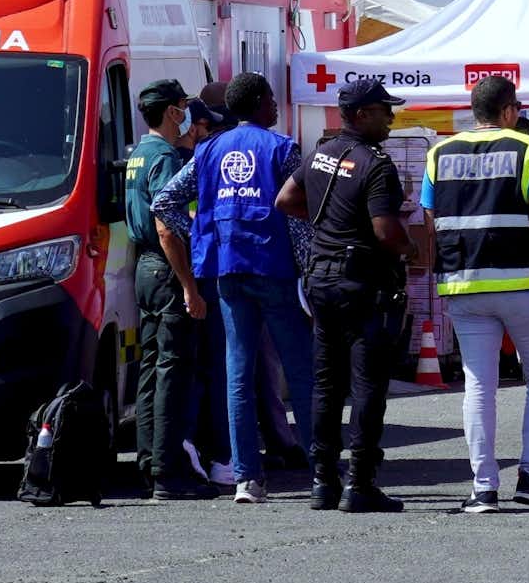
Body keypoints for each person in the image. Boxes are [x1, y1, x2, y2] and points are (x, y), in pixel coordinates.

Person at [152, 72, 313, 505]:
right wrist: (308, 267)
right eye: (273, 99)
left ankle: (246, 478)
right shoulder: (281, 149)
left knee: (237, 373)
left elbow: (163, 202)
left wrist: (202, 231)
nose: (277, 106)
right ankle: (321, 470)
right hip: (273, 268)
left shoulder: (206, 151)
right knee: (298, 371)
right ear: (259, 103)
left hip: (225, 270)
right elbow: (296, 216)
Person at [424, 74, 529, 514]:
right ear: (510, 111)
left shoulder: (439, 153)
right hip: (523, 282)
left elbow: (432, 218)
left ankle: (483, 486)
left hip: (464, 285)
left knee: (479, 383)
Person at [276, 81, 417, 512]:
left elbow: (286, 199)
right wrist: (409, 248)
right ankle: (360, 483)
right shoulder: (376, 166)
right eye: (382, 111)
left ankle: (323, 481)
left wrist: (331, 229)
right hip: (361, 284)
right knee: (368, 384)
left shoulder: (322, 153)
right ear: (359, 114)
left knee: (326, 383)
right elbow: (384, 231)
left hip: (320, 279)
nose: (390, 119)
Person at [124, 79, 212, 500]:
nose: (188, 113)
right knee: (173, 372)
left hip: (144, 269)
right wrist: (189, 286)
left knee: (151, 369)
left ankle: (149, 464)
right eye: (183, 106)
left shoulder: (138, 154)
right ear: (174, 112)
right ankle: (167, 472)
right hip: (166, 265)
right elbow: (166, 223)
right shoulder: (162, 157)